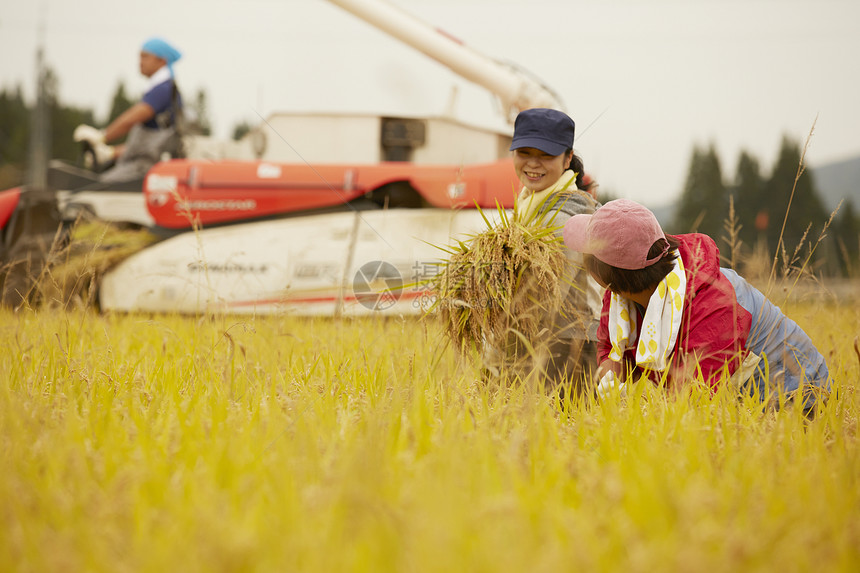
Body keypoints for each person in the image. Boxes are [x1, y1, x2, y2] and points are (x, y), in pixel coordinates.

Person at [562, 198, 830, 411]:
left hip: (797, 399)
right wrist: (610, 373)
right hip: (730, 399)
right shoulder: (621, 293)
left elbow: (690, 405)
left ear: (611, 274)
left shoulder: (713, 307)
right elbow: (610, 346)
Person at [484, 107, 604, 396]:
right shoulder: (532, 206)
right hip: (536, 340)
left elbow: (541, 295)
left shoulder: (567, 217)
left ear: (567, 158)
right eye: (524, 152)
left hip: (569, 348)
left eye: (546, 155)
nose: (533, 164)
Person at [73, 37, 184, 184]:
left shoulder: (162, 90)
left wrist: (102, 136)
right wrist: (110, 153)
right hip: (145, 165)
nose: (140, 62)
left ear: (161, 61)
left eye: (145, 57)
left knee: (96, 189)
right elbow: (147, 145)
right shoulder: (166, 89)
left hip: (144, 169)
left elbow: (132, 118)